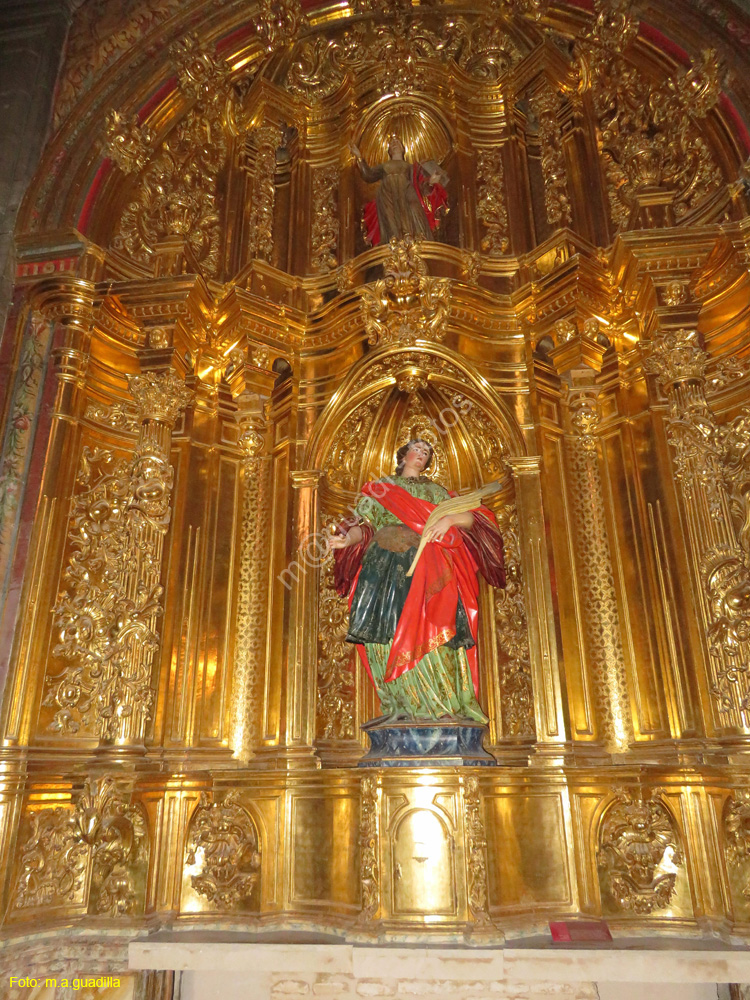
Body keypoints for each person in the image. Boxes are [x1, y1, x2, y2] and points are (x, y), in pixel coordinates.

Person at [330, 440, 505, 724]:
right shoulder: (382, 488)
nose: (422, 455)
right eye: (417, 449)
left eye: (426, 452)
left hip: (429, 566)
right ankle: (400, 704)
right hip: (383, 568)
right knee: (387, 629)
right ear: (403, 455)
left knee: (434, 623)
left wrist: (448, 520)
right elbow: (365, 527)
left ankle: (440, 703)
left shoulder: (436, 492)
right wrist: (346, 539)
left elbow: (471, 518)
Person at [349, 136, 449, 246]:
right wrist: (359, 157)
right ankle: (394, 242)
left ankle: (418, 239)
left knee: (414, 210)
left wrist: (430, 182)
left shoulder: (411, 167)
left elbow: (421, 187)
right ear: (389, 151)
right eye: (392, 143)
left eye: (397, 142)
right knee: (390, 216)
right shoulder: (384, 166)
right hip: (387, 192)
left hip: (407, 190)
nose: (394, 144)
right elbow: (368, 175)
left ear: (403, 149)